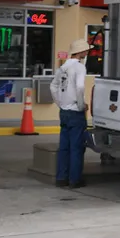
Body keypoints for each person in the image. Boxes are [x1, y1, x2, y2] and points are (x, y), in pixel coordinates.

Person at [50, 39, 90, 188]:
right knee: (77, 148)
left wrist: (60, 103)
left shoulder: (63, 67)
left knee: (64, 147)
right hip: (75, 112)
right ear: (80, 52)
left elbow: (53, 86)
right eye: (85, 50)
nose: (87, 53)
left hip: (64, 111)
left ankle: (61, 178)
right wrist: (81, 105)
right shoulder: (79, 67)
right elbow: (79, 87)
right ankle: (75, 179)